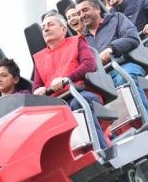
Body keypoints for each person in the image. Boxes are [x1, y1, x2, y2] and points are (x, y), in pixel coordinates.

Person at [32, 11, 109, 147]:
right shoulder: (39, 58)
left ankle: (101, 150)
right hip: (58, 103)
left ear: (63, 29)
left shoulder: (76, 41)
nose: (46, 29)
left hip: (81, 92)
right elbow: (37, 86)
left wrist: (66, 79)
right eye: (43, 27)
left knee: (76, 105)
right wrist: (39, 91)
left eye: (50, 25)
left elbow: (89, 65)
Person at [76, 0, 148, 122]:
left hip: (124, 65)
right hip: (101, 79)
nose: (82, 15)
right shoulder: (81, 41)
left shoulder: (116, 19)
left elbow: (132, 38)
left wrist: (111, 49)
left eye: (85, 10)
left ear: (97, 9)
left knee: (122, 78)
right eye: (79, 13)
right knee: (86, 100)